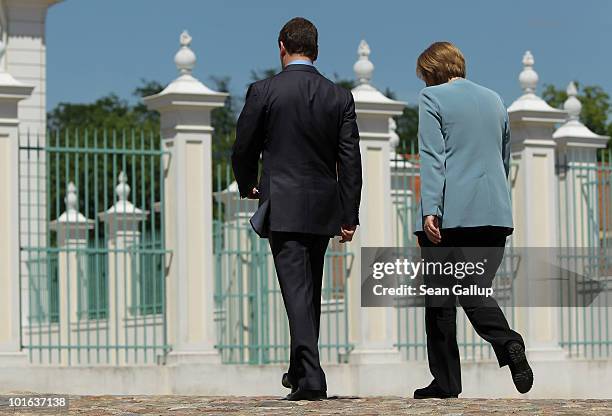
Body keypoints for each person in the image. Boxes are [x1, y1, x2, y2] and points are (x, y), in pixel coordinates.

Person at [231, 17, 362, 401]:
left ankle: (313, 378)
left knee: (296, 294)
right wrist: (349, 214)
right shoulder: (339, 97)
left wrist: (246, 183)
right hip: (323, 208)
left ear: (281, 46)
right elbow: (350, 161)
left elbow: (242, 147)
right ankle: (300, 374)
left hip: (283, 205)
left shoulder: (264, 90)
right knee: (308, 293)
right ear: (316, 50)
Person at [412, 41, 533, 399]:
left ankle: (455, 375)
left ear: (431, 71)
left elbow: (433, 157)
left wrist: (431, 208)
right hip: (496, 214)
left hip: (452, 215)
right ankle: (505, 345)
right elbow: (504, 157)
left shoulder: (431, 99)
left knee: (440, 300)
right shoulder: (495, 99)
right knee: (473, 290)